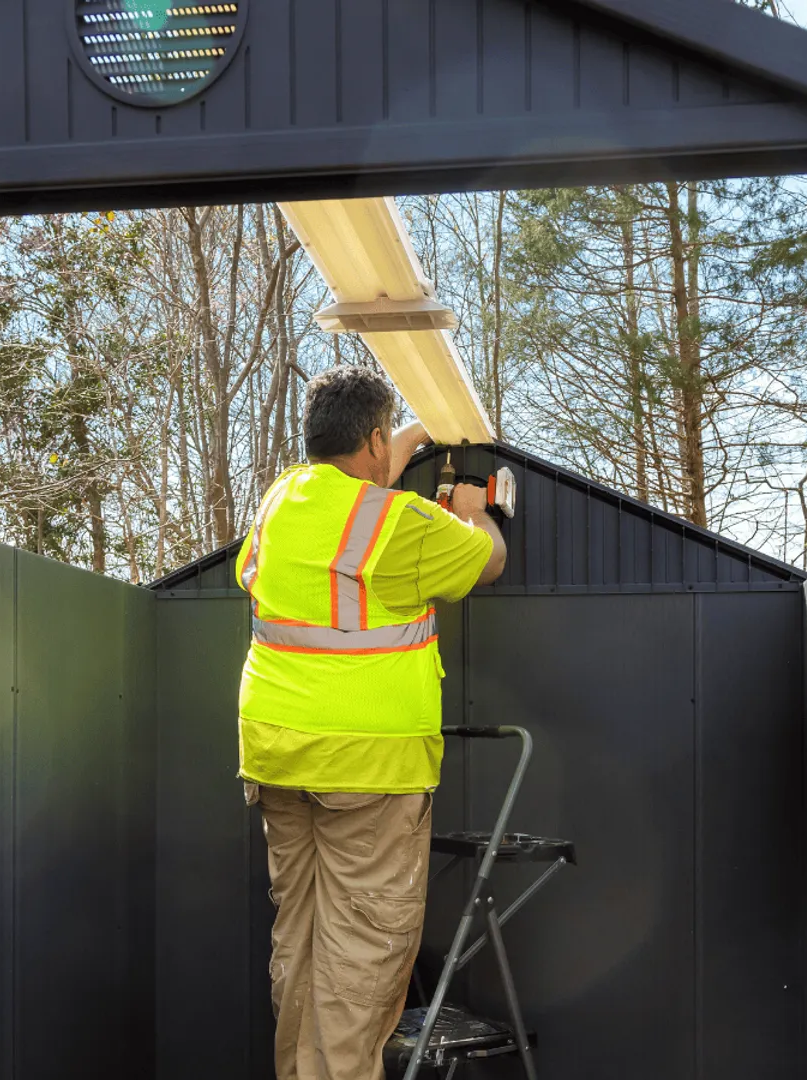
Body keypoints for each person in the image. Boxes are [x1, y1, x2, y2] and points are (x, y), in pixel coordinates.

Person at [235, 365, 507, 1080]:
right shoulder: (399, 525)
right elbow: (487, 561)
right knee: (361, 956)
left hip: (278, 761)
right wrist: (480, 510)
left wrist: (414, 434)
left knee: (301, 942)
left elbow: (347, 513)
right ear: (376, 441)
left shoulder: (281, 501)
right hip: (370, 771)